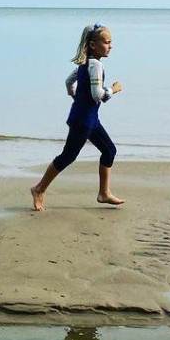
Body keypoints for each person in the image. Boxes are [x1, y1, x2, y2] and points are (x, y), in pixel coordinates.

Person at [30, 23, 124, 211]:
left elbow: (68, 81)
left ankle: (104, 193)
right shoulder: (95, 65)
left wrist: (72, 92)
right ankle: (39, 189)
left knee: (109, 151)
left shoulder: (85, 63)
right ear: (92, 45)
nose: (110, 46)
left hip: (89, 118)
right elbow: (98, 95)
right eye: (106, 42)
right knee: (68, 156)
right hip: (83, 121)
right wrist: (113, 90)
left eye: (111, 42)